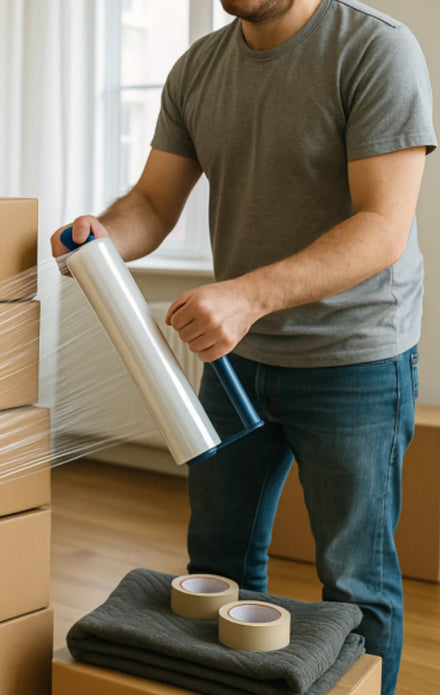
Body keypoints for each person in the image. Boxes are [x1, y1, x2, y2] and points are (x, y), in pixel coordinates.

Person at [50, 0, 435, 692]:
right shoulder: (198, 70)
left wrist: (246, 296)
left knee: (355, 578)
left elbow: (383, 226)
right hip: (237, 359)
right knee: (215, 567)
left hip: (356, 360)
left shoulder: (377, 49)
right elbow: (152, 203)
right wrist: (102, 238)